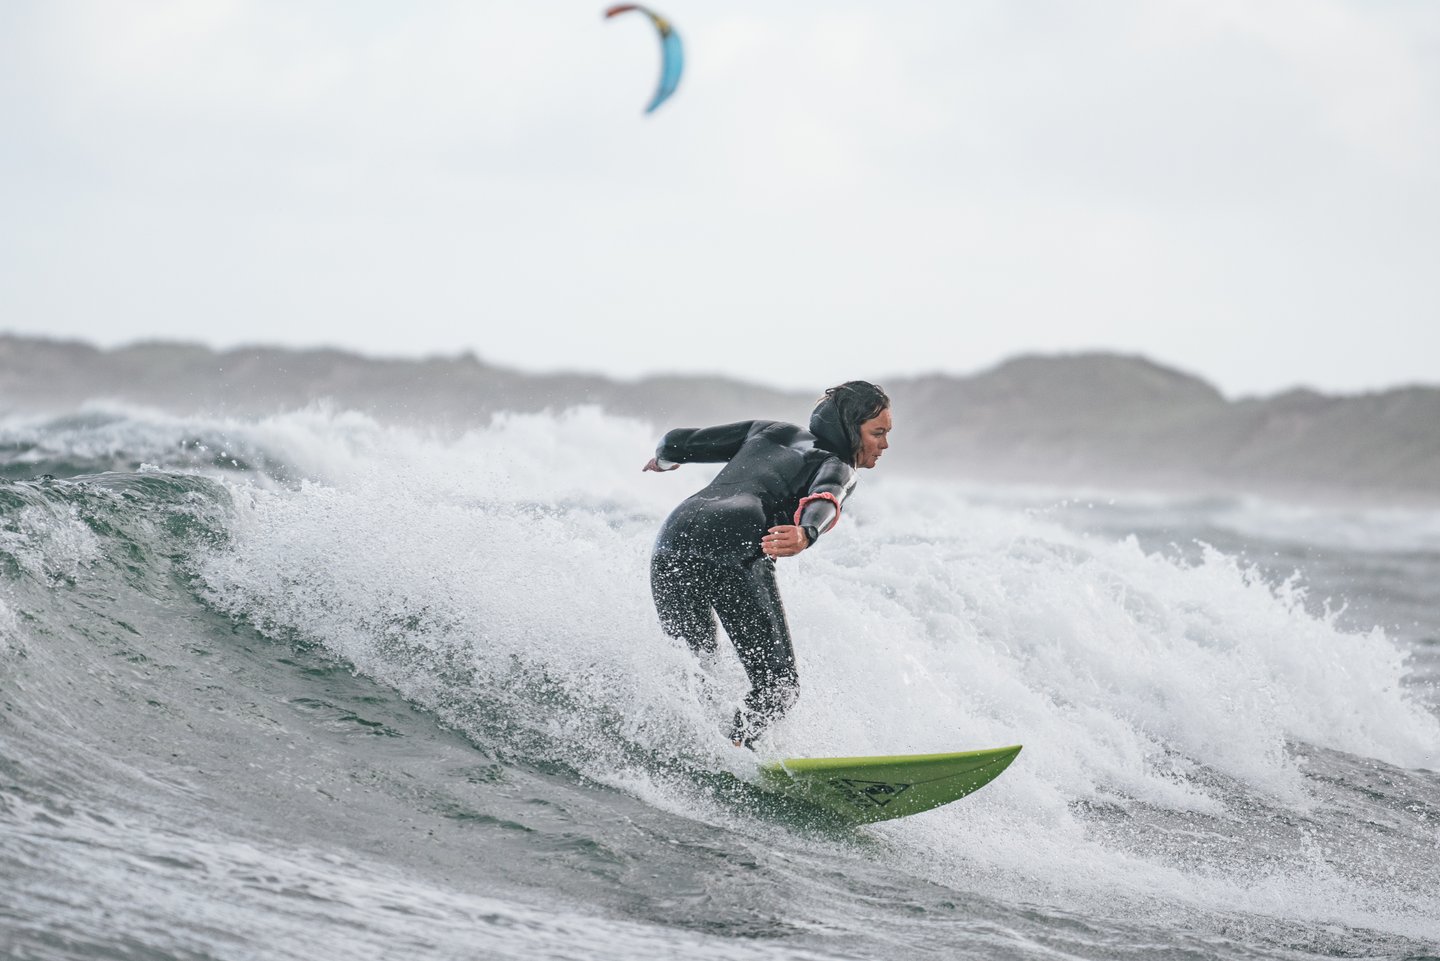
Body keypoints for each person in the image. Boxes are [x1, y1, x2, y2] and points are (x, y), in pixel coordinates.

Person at [642, 381, 892, 748]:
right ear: (849, 430)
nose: (884, 445)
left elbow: (676, 441)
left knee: (696, 666)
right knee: (779, 687)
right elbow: (828, 495)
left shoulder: (770, 430)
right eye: (878, 433)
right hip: (733, 539)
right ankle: (734, 751)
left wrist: (663, 461)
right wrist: (808, 531)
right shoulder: (837, 463)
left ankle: (691, 747)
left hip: (673, 537)